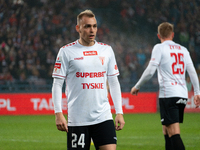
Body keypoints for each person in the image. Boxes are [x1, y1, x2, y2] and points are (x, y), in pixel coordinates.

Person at [52, 9, 125, 150]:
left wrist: (119, 112)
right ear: (78, 28)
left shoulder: (107, 50)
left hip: (103, 117)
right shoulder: (66, 51)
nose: (92, 30)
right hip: (78, 119)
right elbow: (57, 84)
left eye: (94, 26)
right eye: (87, 26)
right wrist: (58, 113)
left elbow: (114, 83)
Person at [130, 22, 200, 150]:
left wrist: (137, 85)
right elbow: (192, 72)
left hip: (169, 94)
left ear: (158, 35)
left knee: (173, 132)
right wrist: (197, 93)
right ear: (173, 35)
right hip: (182, 95)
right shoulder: (183, 50)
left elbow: (150, 71)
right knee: (166, 131)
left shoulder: (159, 48)